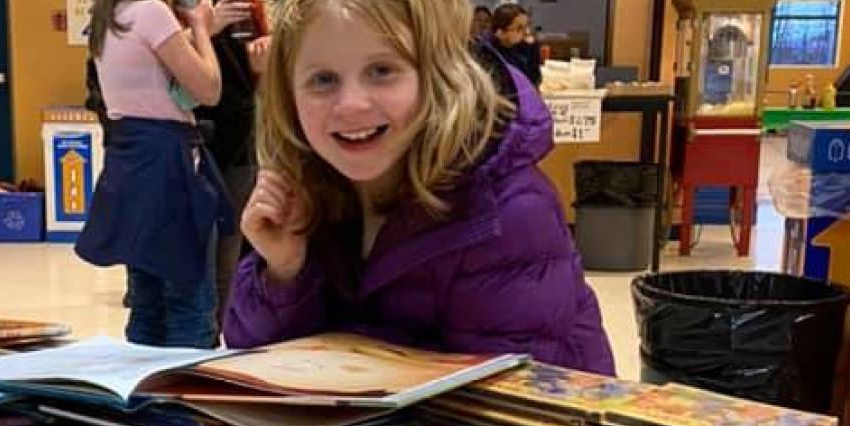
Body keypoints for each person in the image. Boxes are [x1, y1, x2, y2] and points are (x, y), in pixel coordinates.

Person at [222, 0, 614, 375]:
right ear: (288, 97)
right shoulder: (311, 191)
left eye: (382, 70)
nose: (352, 104)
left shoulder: (507, 210)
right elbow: (254, 365)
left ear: (437, 76)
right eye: (322, 80)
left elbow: (510, 405)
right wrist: (284, 270)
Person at [76, 0, 231, 348]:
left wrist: (193, 31)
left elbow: (149, 63)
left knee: (147, 303)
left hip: (130, 163)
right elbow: (209, 89)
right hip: (168, 168)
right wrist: (203, 28)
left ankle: (141, 391)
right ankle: (181, 392)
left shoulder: (109, 15)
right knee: (190, 302)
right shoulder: (152, 11)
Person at [195, 1, 271, 335]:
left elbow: (259, 84)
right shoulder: (172, 10)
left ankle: (220, 337)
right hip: (188, 140)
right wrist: (203, 30)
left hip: (238, 143)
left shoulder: (249, 8)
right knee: (191, 257)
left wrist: (262, 67)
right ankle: (197, 338)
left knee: (230, 250)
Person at [489, 3, 541, 88]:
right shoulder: (488, 53)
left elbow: (534, 80)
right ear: (500, 32)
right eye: (519, 28)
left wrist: (533, 49)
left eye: (527, 26)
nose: (526, 32)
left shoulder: (525, 46)